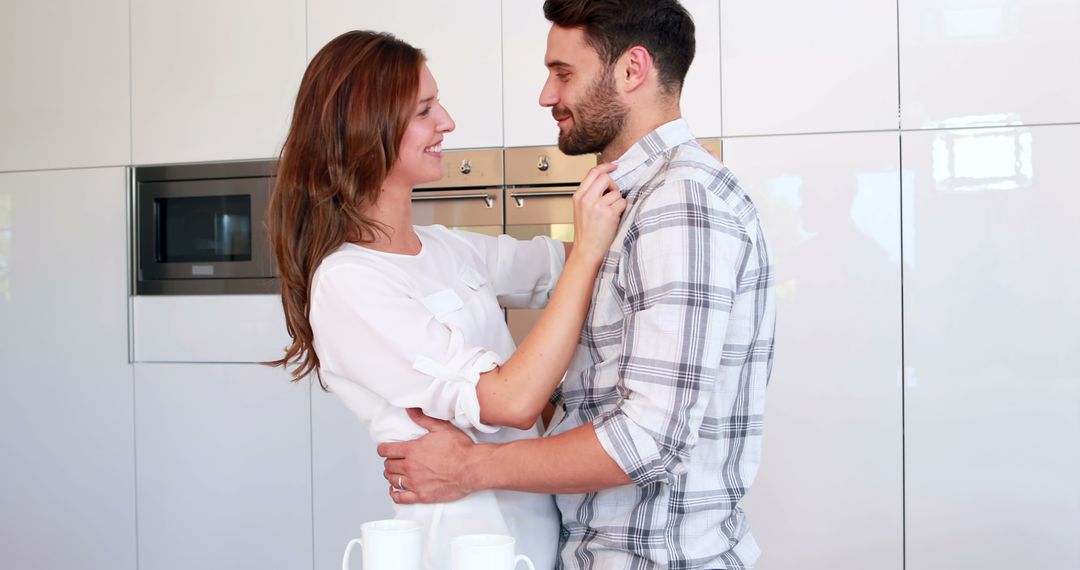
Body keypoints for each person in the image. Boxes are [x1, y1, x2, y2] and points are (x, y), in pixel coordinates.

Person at [377, 0, 777, 568]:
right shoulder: (632, 200)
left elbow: (647, 439)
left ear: (632, 70)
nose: (546, 95)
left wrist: (469, 468)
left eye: (563, 73)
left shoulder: (679, 205)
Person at [266, 30, 627, 570]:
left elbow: (564, 264)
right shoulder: (348, 284)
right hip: (460, 541)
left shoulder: (445, 249)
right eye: (424, 110)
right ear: (368, 130)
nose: (447, 123)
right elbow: (510, 401)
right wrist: (586, 255)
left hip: (539, 526)